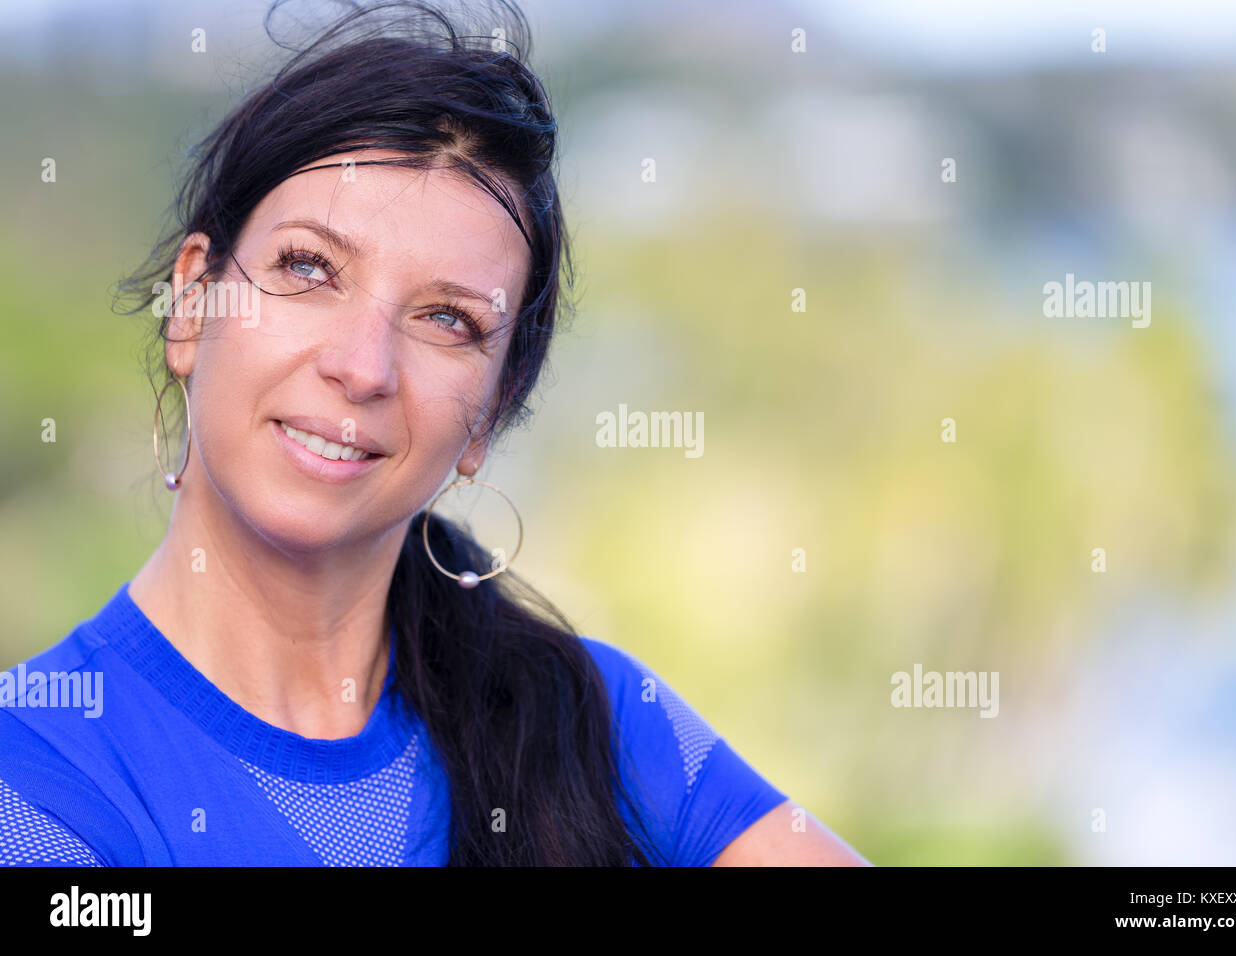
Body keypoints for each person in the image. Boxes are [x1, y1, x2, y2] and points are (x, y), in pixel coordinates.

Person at [0, 0, 867, 867]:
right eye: (309, 269)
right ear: (192, 304)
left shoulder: (596, 722)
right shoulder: (35, 774)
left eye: (448, 320)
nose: (364, 365)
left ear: (491, 411)